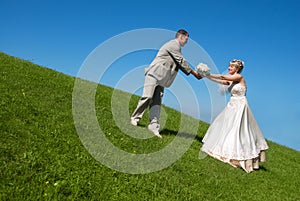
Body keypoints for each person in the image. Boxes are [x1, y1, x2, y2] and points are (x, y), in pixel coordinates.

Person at [130, 29, 202, 138]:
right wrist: (193, 73)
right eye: (186, 39)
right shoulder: (174, 45)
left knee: (157, 102)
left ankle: (153, 126)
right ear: (181, 36)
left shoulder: (176, 47)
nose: (186, 42)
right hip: (154, 73)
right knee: (147, 96)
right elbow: (181, 61)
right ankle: (134, 118)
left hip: (162, 78)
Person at [200, 59, 269, 173]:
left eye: (231, 67)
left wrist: (208, 73)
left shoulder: (239, 77)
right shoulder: (232, 80)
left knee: (238, 129)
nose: (229, 68)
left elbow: (223, 77)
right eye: (229, 66)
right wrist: (207, 77)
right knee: (225, 127)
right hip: (232, 105)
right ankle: (224, 150)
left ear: (237, 69)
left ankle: (238, 156)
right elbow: (222, 81)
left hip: (240, 106)